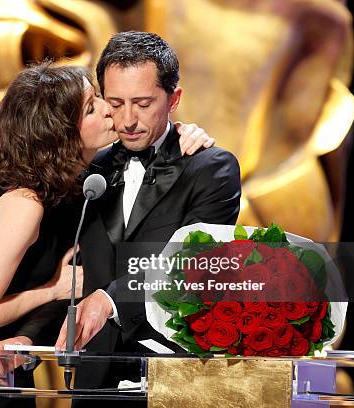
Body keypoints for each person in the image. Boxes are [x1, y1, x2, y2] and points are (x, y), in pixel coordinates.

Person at [0, 62, 213, 407]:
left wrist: (184, 134)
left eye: (99, 98)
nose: (108, 109)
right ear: (60, 134)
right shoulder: (25, 205)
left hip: (8, 363)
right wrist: (53, 289)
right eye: (91, 108)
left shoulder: (70, 192)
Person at [49, 31, 242, 404]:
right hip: (96, 376)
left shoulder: (210, 168)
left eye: (142, 103)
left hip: (174, 374)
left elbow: (193, 266)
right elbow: (62, 270)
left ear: (174, 99)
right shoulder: (92, 170)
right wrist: (26, 335)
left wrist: (110, 299)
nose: (128, 119)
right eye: (115, 103)